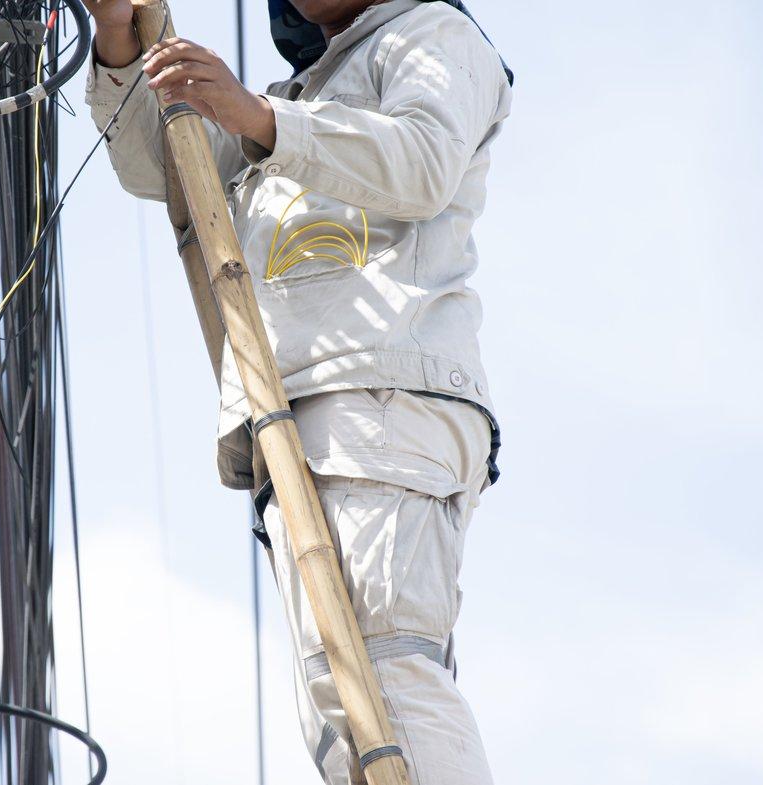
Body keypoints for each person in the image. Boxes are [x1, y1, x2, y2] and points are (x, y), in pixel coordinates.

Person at [82, 1, 512, 782]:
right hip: (315, 411)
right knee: (338, 700)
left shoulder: (431, 35)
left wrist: (260, 116)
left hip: (380, 396)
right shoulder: (301, 94)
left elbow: (423, 160)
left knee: (383, 668)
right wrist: (118, 39)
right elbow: (167, 169)